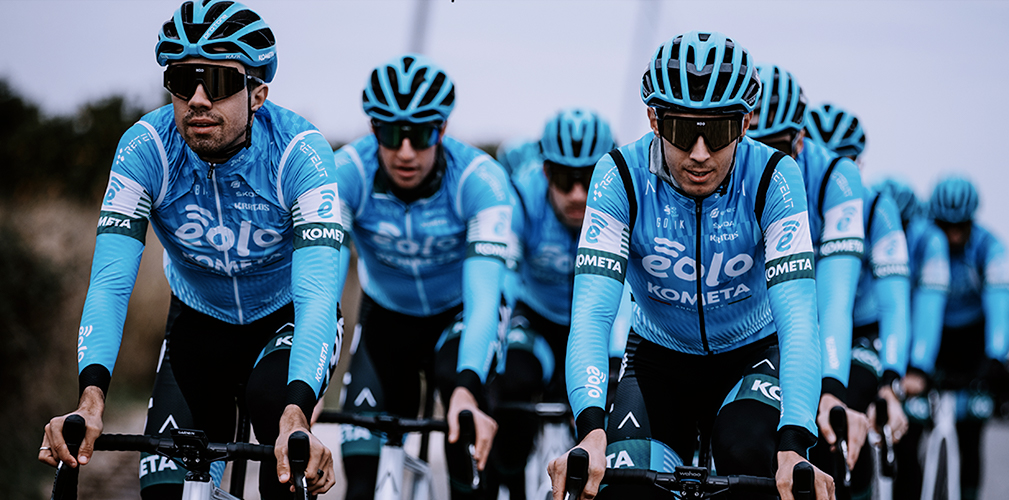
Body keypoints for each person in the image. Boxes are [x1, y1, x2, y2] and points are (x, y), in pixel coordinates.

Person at [38, 1, 348, 498]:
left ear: (258, 94)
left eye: (219, 82)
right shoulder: (146, 149)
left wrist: (297, 413)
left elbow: (316, 293)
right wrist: (90, 400)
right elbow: (110, 284)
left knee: (285, 450)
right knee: (164, 490)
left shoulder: (299, 153)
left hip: (285, 318)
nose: (198, 100)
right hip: (199, 319)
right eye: (183, 81)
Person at [547, 31, 834, 500]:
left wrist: (794, 444)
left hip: (751, 355)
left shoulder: (774, 177)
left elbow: (799, 318)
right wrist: (591, 430)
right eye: (682, 131)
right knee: (624, 485)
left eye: (717, 132)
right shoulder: (619, 175)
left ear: (745, 124)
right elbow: (592, 316)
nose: (700, 153)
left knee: (748, 449)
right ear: (654, 121)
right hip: (659, 358)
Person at [332, 53, 510, 500]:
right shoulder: (346, 173)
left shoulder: (479, 180)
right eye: (392, 134)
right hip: (385, 317)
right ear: (373, 129)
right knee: (359, 475)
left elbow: (485, 300)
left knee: (465, 431)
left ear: (442, 129)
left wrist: (467, 387)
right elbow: (323, 291)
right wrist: (308, 387)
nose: (406, 151)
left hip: (457, 318)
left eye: (422, 133)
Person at [747, 69, 871, 492]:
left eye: (777, 147)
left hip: (813, 322)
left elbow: (834, 300)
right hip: (753, 329)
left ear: (800, 140)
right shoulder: (725, 173)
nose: (764, 160)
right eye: (753, 145)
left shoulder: (835, 177)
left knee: (832, 427)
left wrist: (831, 387)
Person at [487, 108, 617, 498]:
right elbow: (504, 280)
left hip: (603, 322)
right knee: (511, 380)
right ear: (545, 172)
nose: (577, 193)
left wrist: (613, 358)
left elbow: (633, 291)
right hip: (537, 318)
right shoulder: (523, 197)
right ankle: (510, 485)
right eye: (564, 178)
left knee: (615, 391)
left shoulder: (622, 199)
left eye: (588, 178)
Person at [903, 176, 1009, 500]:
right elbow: (916, 304)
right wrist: (917, 364)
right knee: (910, 430)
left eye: (960, 226)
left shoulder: (989, 247)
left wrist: (995, 357)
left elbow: (1000, 304)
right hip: (933, 340)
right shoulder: (924, 242)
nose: (952, 234)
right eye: (945, 225)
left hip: (972, 342)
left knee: (971, 432)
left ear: (971, 221)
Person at [875, 178, 949, 500]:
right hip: (876, 335)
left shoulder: (929, 240)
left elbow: (928, 308)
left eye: (902, 225)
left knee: (908, 443)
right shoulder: (870, 226)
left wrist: (918, 367)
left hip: (917, 335)